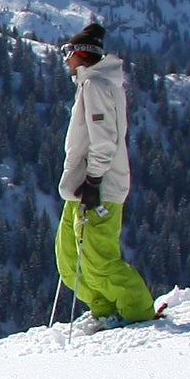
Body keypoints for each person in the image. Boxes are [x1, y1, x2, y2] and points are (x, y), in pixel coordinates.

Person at [53, 23, 156, 328]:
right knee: (70, 258)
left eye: (67, 53)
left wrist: (94, 181)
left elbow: (104, 139)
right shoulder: (90, 83)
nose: (66, 60)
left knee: (98, 258)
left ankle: (138, 311)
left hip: (98, 187)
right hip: (80, 186)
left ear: (82, 54)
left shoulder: (97, 85)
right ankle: (104, 307)